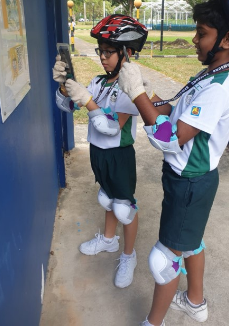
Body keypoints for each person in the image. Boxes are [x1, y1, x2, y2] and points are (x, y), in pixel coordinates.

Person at [115, 0, 229, 326]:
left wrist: (139, 95)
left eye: (201, 33)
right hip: (195, 180)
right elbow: (174, 111)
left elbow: (171, 138)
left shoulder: (219, 88)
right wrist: (141, 91)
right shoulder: (210, 75)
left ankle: (151, 323)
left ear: (227, 40)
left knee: (164, 259)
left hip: (188, 182)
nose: (194, 40)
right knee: (191, 242)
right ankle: (195, 302)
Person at [55, 14, 148, 289]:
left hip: (119, 156)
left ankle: (129, 255)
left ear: (126, 53)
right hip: (99, 155)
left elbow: (112, 128)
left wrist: (88, 102)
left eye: (109, 52)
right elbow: (67, 108)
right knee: (108, 199)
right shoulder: (98, 81)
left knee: (124, 208)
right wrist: (64, 86)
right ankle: (108, 241)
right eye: (101, 51)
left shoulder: (130, 87)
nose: (103, 57)